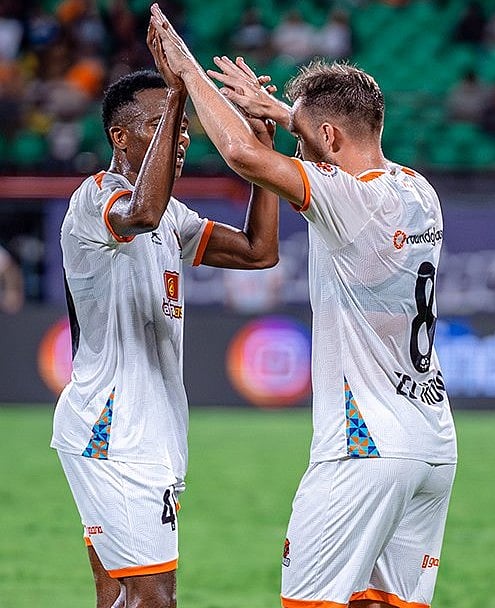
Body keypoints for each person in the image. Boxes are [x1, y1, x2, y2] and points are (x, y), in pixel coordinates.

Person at [149, 6, 457, 608]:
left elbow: (241, 155)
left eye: (306, 140)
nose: (299, 153)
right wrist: (287, 115)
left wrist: (188, 73)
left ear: (331, 139)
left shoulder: (347, 200)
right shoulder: (418, 190)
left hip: (364, 446)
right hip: (432, 442)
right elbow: (331, 143)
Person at [51, 24, 279, 608]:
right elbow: (142, 213)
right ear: (119, 136)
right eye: (160, 126)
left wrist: (265, 156)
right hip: (112, 429)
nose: (178, 136)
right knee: (155, 599)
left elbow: (259, 251)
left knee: (120, 598)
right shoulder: (95, 198)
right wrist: (180, 89)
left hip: (149, 428)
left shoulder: (173, 215)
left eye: (179, 127)